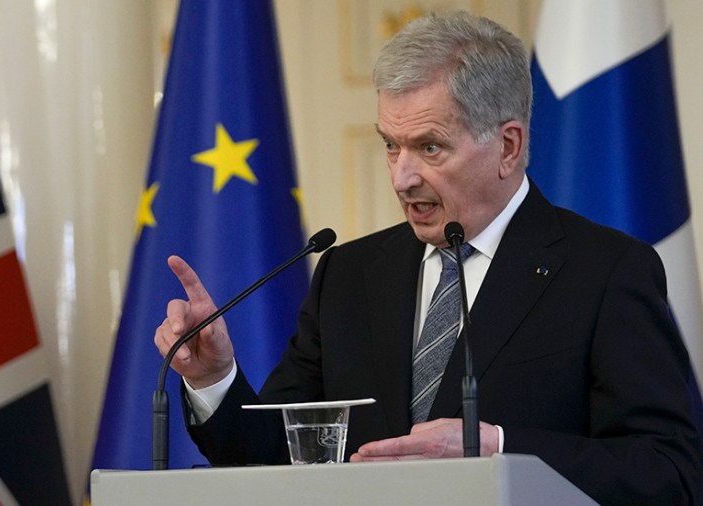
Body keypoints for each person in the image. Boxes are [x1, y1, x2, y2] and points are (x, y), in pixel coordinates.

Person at [154, 11, 702, 505]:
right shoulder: (346, 276)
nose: (401, 176)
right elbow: (276, 457)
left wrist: (501, 450)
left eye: (429, 147)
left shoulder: (604, 272)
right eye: (391, 144)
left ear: (508, 146)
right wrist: (214, 379)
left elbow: (671, 471)